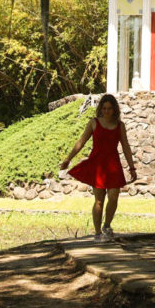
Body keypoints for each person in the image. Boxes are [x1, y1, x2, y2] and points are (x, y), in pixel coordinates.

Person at [60, 94, 137, 240]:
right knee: (99, 200)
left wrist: (132, 167)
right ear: (100, 109)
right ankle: (97, 232)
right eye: (104, 108)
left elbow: (125, 146)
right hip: (97, 165)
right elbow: (81, 142)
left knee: (114, 197)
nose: (106, 111)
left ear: (114, 109)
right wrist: (68, 158)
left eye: (109, 108)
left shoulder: (120, 126)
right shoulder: (94, 123)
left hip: (113, 164)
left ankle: (106, 225)